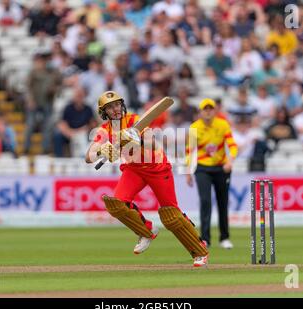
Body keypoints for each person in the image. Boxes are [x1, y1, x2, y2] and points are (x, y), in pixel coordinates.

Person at [85, 91, 209, 267]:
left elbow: (153, 143)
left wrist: (138, 139)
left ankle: (200, 251)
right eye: (110, 107)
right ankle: (147, 230)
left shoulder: (135, 120)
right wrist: (101, 151)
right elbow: (88, 157)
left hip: (157, 167)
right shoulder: (105, 130)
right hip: (133, 169)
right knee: (116, 204)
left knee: (171, 215)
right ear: (104, 112)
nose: (115, 109)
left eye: (117, 104)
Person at [186, 98, 238, 249]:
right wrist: (188, 171)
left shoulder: (223, 124)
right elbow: (190, 151)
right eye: (205, 109)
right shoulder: (194, 127)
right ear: (201, 112)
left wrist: (230, 161)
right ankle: (206, 239)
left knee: (223, 202)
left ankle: (224, 237)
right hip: (202, 168)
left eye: (210, 109)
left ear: (215, 110)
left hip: (221, 167)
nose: (208, 111)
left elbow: (232, 145)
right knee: (205, 202)